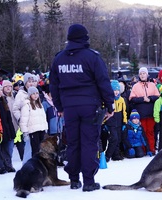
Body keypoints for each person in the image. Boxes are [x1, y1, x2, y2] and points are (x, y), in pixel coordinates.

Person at [49, 24, 115, 192]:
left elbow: (54, 86)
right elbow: (103, 82)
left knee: (73, 143)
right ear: (85, 37)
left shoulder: (59, 59)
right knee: (89, 143)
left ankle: (73, 179)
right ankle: (88, 181)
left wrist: (59, 106)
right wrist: (109, 104)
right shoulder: (92, 57)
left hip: (69, 107)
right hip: (89, 106)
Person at [129, 67, 160, 154]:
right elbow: (132, 99)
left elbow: (157, 96)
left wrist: (149, 99)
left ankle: (151, 148)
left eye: (144, 73)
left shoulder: (152, 85)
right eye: (141, 74)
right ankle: (143, 149)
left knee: (150, 132)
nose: (142, 75)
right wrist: (142, 99)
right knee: (142, 132)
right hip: (140, 114)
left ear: (147, 74)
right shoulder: (135, 86)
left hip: (150, 113)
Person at [0, 82, 16, 173]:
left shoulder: (4, 100)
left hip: (7, 128)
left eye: (1, 90)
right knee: (0, 150)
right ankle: (1, 165)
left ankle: (8, 165)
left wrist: (12, 130)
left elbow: (9, 117)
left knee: (8, 149)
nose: (0, 92)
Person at [19, 86, 48, 157]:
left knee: (42, 149)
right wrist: (25, 132)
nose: (36, 95)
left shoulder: (39, 104)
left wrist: (45, 126)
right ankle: (35, 165)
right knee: (35, 150)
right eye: (33, 94)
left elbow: (43, 116)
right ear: (30, 95)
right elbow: (24, 119)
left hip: (41, 129)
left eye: (37, 93)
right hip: (33, 130)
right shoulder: (27, 105)